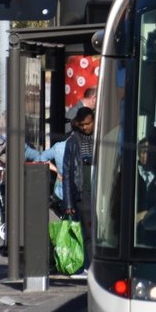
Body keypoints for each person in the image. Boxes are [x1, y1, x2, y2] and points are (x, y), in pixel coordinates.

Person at [61, 107, 94, 275]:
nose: (85, 128)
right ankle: (91, 266)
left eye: (88, 124)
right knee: (88, 233)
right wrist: (68, 202)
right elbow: (66, 173)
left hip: (101, 193)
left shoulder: (102, 137)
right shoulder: (73, 142)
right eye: (82, 125)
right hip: (83, 194)